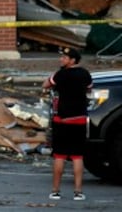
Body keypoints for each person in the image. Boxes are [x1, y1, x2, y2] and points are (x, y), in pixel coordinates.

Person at [42, 47, 92, 201]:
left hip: (61, 120)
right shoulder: (85, 74)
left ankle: (55, 191)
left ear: (73, 60)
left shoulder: (60, 74)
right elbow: (89, 89)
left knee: (59, 156)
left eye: (64, 58)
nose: (61, 60)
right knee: (77, 157)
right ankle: (78, 192)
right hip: (79, 120)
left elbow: (45, 85)